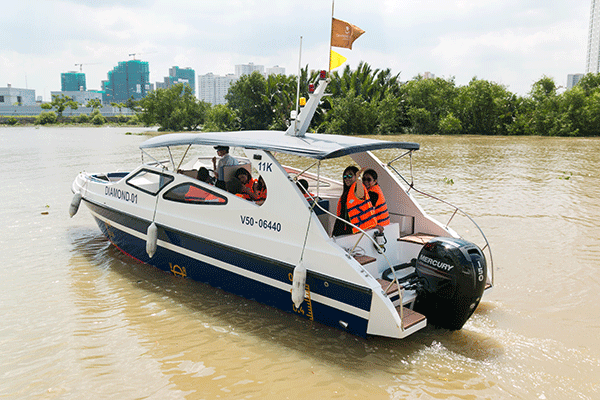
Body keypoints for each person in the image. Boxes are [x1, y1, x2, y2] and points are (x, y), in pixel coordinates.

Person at [332, 166, 380, 236]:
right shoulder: (347, 191)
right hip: (340, 228)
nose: (347, 178)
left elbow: (360, 195)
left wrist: (358, 178)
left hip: (350, 230)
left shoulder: (358, 189)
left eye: (350, 176)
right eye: (345, 176)